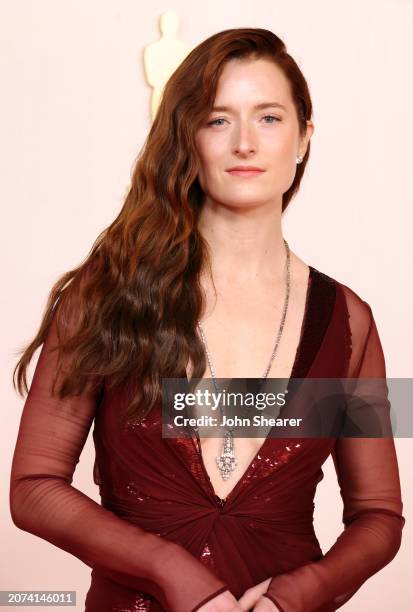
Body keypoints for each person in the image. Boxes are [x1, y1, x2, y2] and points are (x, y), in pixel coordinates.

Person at [10, 28, 405, 612]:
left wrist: (294, 598)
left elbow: (379, 517)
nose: (245, 142)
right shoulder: (107, 295)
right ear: (187, 139)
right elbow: (33, 489)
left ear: (303, 139)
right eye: (218, 120)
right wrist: (176, 574)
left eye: (269, 118)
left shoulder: (347, 322)